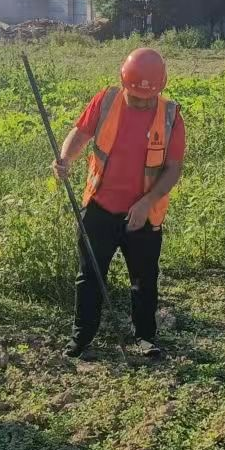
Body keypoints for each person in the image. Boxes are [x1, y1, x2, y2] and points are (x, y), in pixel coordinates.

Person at [52, 46, 186, 359]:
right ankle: (82, 339)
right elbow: (80, 132)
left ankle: (144, 338)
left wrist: (146, 203)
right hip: (100, 207)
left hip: (144, 214)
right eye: (136, 96)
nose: (142, 102)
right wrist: (64, 159)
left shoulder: (170, 115)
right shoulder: (107, 100)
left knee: (144, 279)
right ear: (123, 83)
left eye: (147, 98)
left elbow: (174, 168)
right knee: (89, 276)